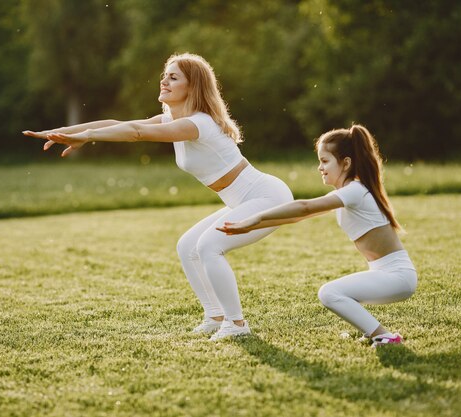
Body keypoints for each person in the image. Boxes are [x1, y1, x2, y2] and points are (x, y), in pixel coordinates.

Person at [23, 53, 293, 341]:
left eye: (174, 77)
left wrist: (86, 136)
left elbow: (137, 133)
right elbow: (119, 122)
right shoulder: (173, 119)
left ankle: (236, 324)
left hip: (268, 198)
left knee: (208, 246)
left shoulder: (198, 123)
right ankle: (215, 316)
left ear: (193, 87)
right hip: (243, 200)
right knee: (187, 246)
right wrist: (64, 132)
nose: (164, 80)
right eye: (165, 74)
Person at [217, 124, 417, 347]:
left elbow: (304, 207)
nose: (319, 167)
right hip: (388, 274)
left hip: (396, 277)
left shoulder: (355, 192)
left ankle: (385, 336)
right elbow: (295, 217)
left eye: (325, 161)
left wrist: (256, 218)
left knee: (329, 293)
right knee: (335, 293)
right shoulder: (347, 193)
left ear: (346, 163)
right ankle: (372, 332)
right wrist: (249, 226)